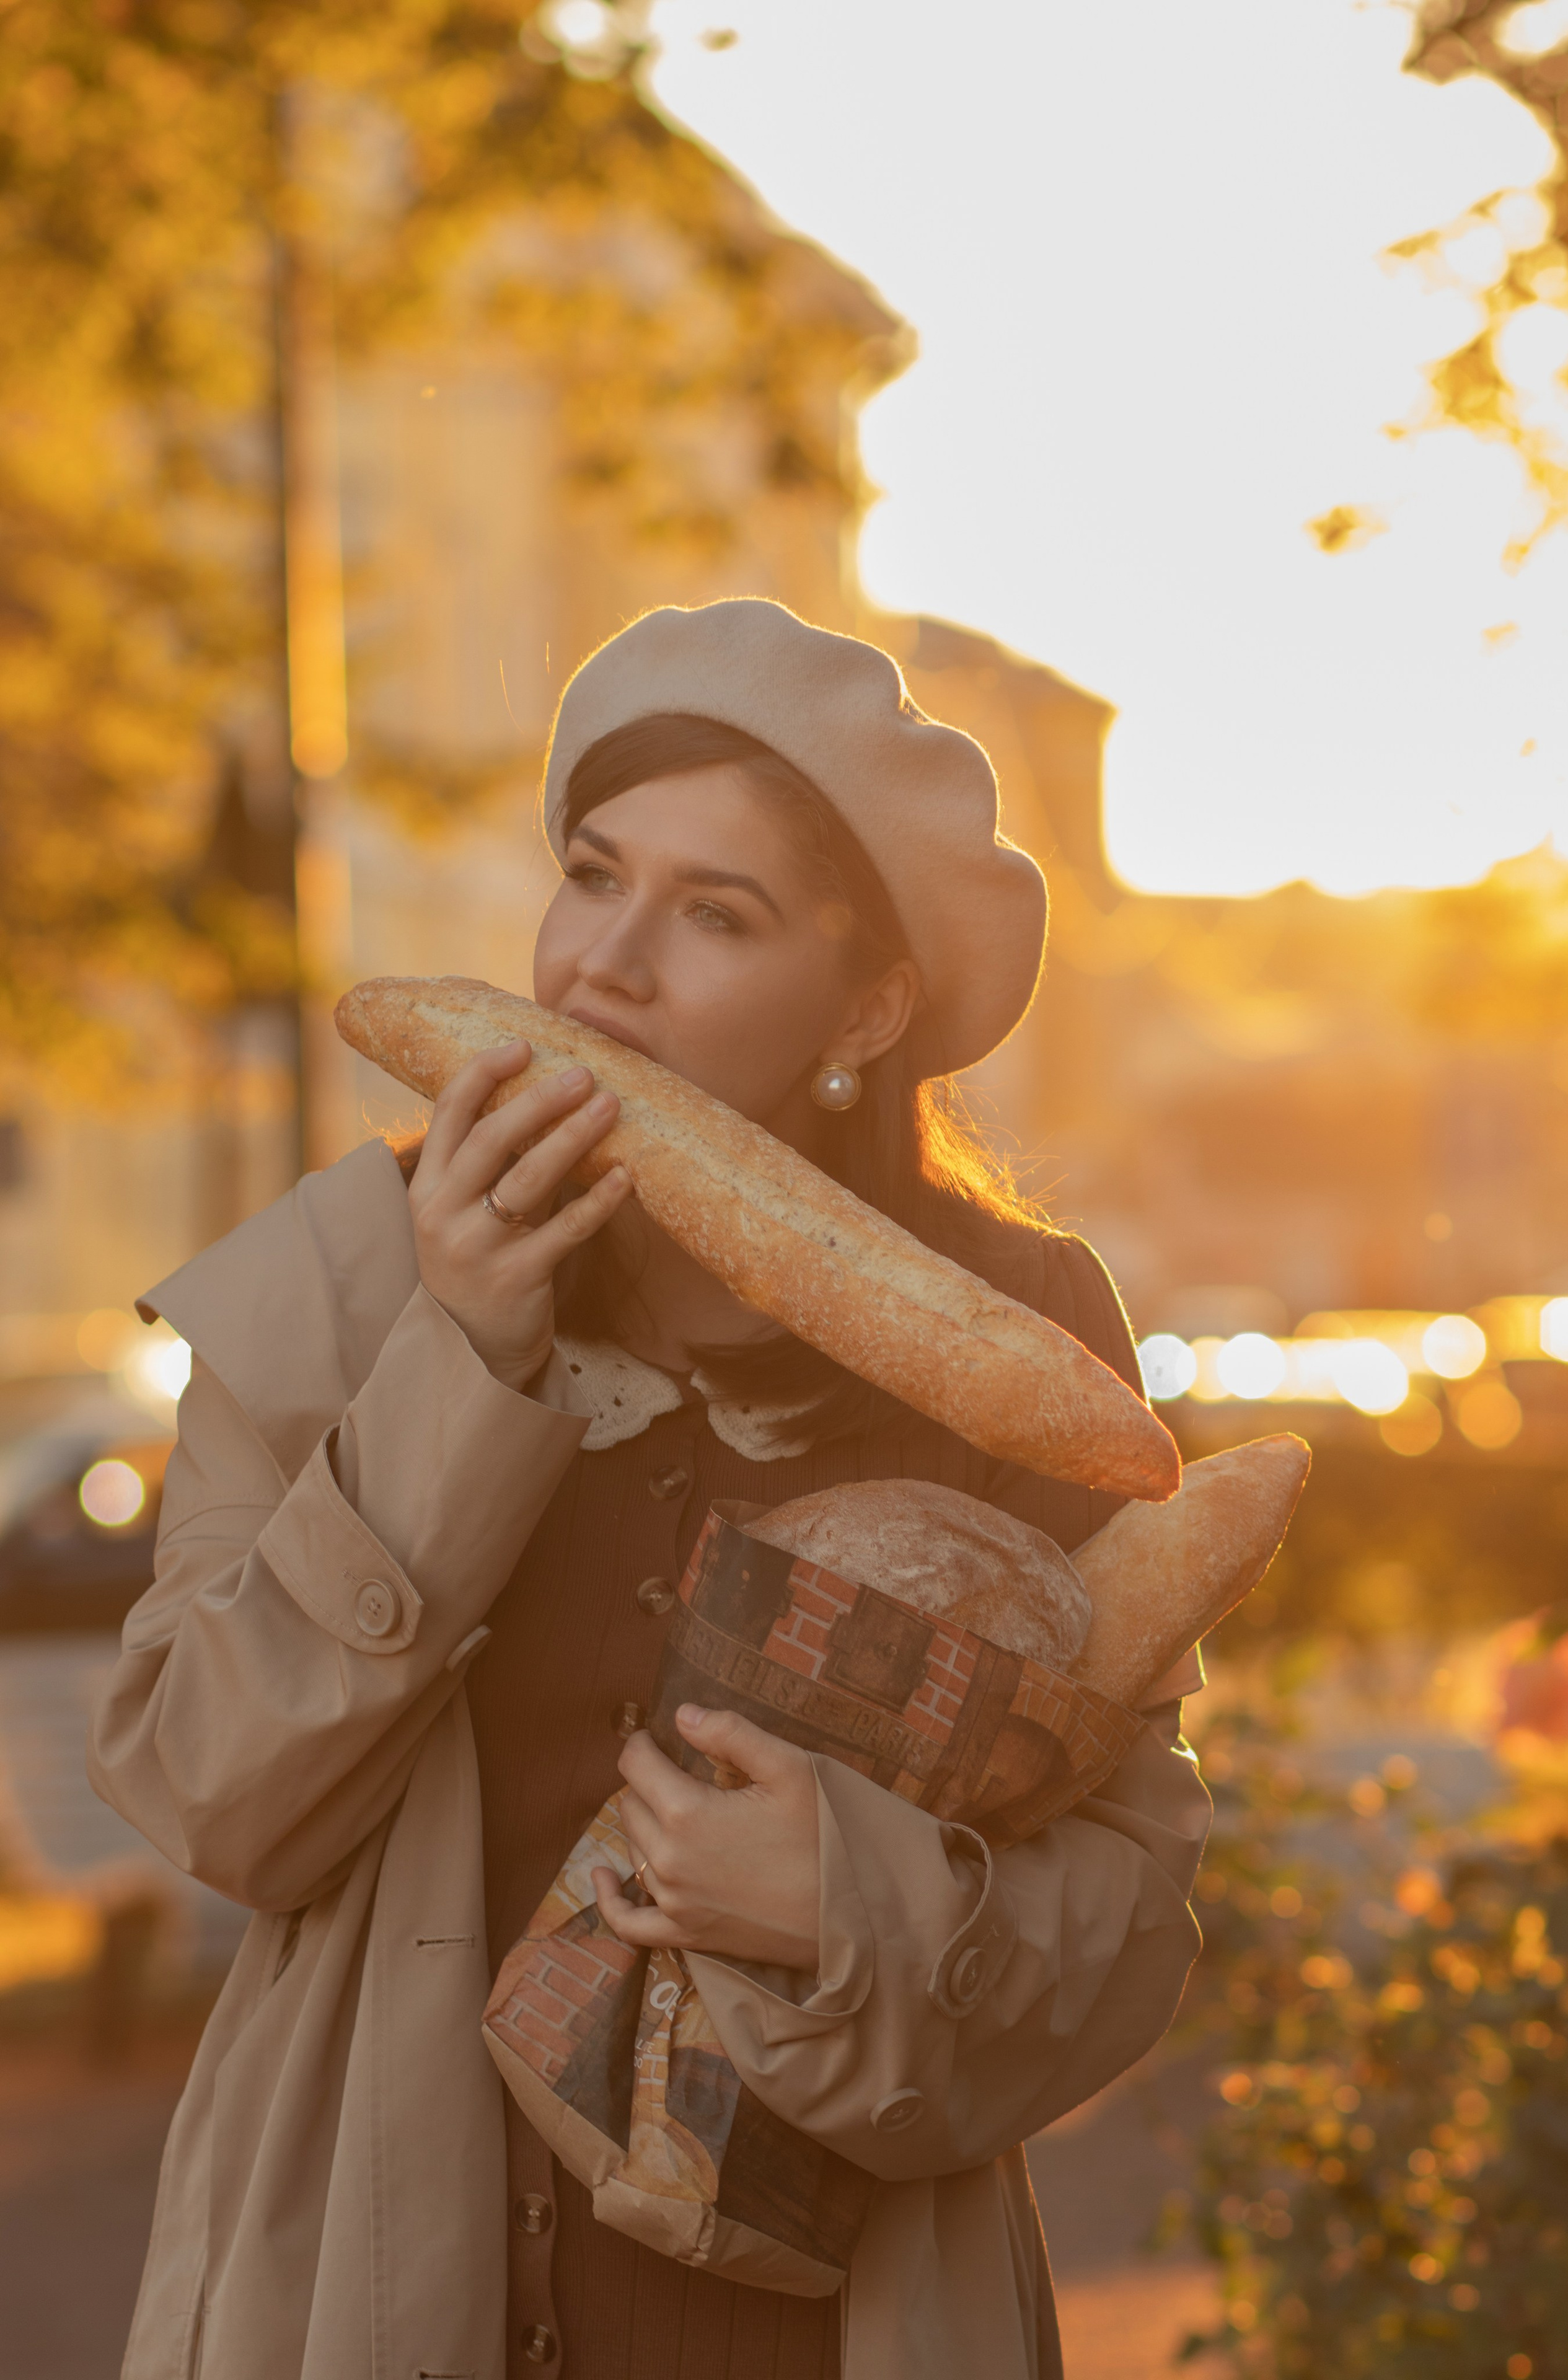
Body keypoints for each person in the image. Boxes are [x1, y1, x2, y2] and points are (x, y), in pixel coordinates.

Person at [90, 599, 1211, 2380]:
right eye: (593, 875)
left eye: (715, 913)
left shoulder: (1023, 1337)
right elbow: (217, 1803)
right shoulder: (341, 1283)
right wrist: (462, 1356)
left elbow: (1134, 1920)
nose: (605, 965)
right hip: (363, 2300)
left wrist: (852, 1907)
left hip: (841, 2327)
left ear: (870, 1005)